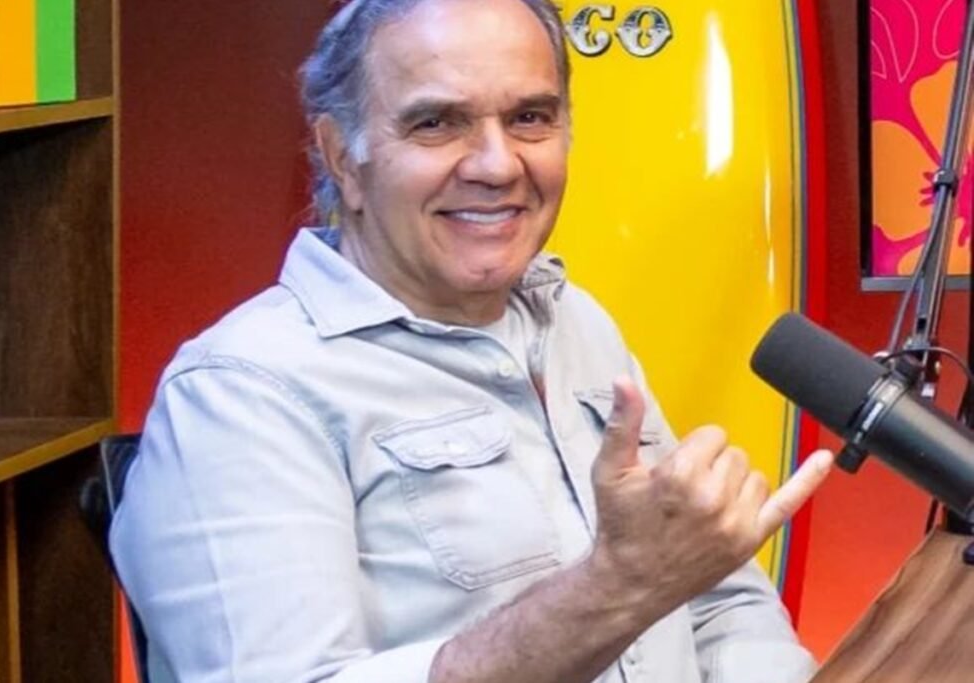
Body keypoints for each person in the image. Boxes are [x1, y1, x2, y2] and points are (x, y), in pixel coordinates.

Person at [110, 0, 833, 681]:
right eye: (436, 124)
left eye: (530, 118)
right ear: (340, 157)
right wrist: (618, 587)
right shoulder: (241, 393)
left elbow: (716, 602)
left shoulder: (577, 321)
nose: (497, 165)